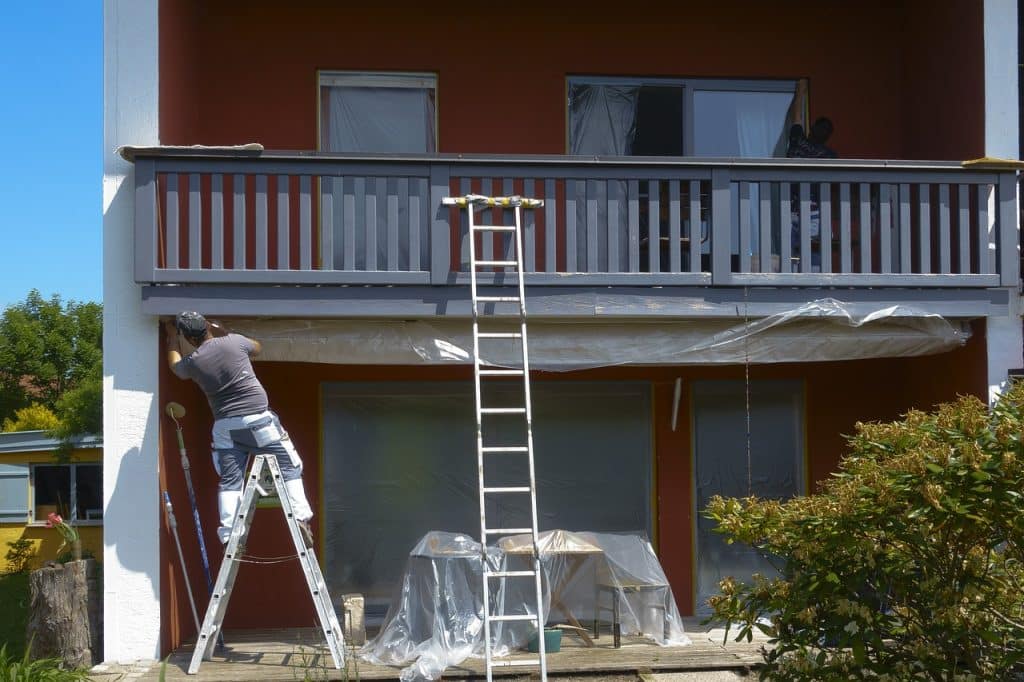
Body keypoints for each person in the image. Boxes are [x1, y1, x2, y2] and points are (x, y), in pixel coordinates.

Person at [163, 311, 314, 547]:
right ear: (206, 325)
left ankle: (229, 536)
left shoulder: (194, 362)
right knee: (290, 467)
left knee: (230, 481)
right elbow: (257, 347)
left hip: (226, 428)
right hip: (259, 422)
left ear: (189, 340)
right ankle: (301, 519)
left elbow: (175, 367)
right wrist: (226, 332)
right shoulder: (234, 342)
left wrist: (172, 339)